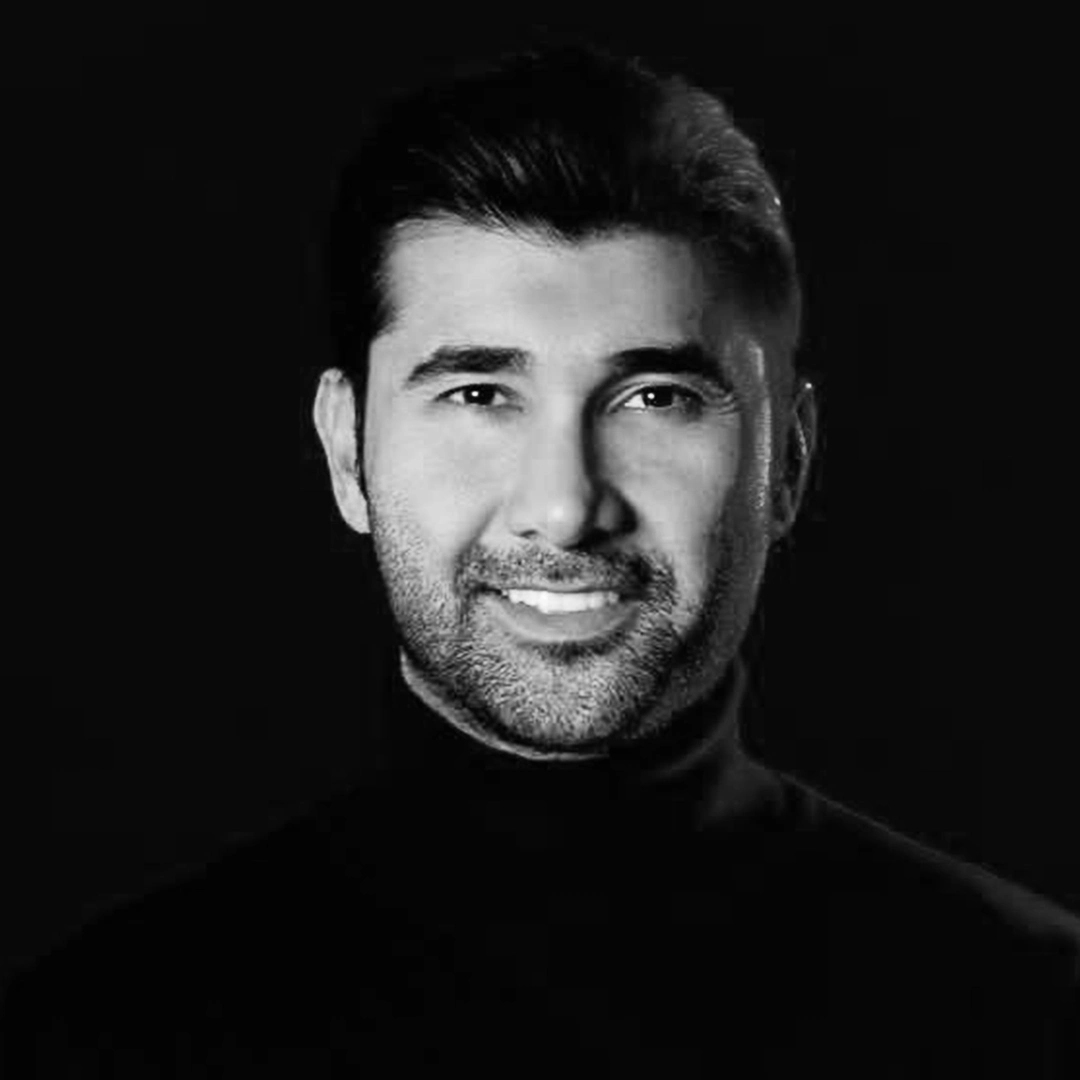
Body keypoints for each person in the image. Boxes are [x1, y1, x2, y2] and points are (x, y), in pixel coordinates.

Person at [2, 44, 1077, 1078]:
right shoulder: (94, 1038)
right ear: (347, 453)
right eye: (480, 395)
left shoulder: (1032, 1013)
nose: (564, 510)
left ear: (786, 461)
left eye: (654, 398)